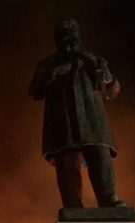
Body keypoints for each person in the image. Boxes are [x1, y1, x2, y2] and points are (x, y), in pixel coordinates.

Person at [29, 18, 124, 208]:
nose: (68, 34)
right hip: (63, 119)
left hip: (92, 118)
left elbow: (113, 90)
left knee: (99, 156)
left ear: (78, 34)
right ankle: (73, 206)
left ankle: (109, 200)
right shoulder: (48, 64)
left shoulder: (92, 60)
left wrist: (105, 76)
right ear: (57, 37)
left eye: (71, 30)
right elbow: (34, 91)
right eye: (63, 31)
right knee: (68, 161)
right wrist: (52, 75)